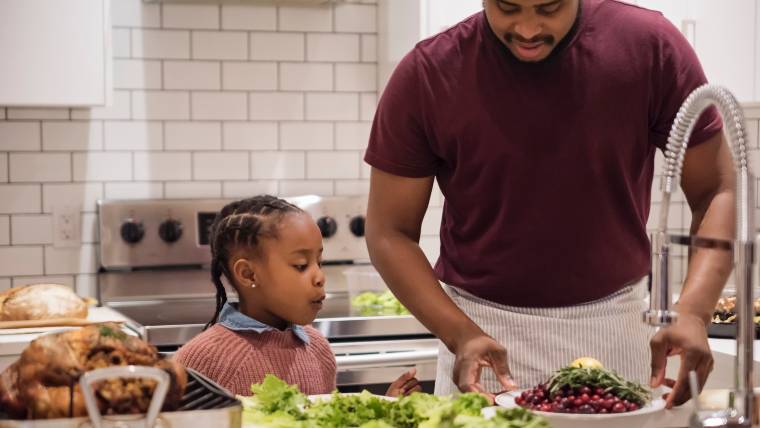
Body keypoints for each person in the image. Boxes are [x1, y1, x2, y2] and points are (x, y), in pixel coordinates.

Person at [364, 0, 735, 409]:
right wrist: (458, 334)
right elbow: (389, 232)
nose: (526, 29)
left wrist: (694, 312)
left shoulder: (650, 47)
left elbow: (717, 189)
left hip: (618, 329)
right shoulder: (429, 73)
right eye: (507, 7)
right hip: (480, 334)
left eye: (548, 8)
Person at [174, 195, 422, 397]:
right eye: (301, 265)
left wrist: (386, 408)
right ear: (248, 274)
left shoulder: (318, 349)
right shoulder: (203, 360)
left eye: (320, 262)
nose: (319, 277)